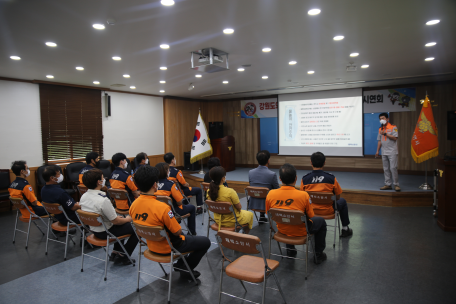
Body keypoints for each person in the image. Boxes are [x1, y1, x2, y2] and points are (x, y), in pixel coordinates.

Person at [130, 165, 211, 279]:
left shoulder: (133, 205)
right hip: (169, 248)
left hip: (150, 245)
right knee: (205, 242)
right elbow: (177, 232)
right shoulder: (162, 208)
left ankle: (181, 264)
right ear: (155, 184)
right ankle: (185, 267)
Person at [266, 163, 327, 263]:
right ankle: (318, 254)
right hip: (301, 232)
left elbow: (269, 214)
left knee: (287, 217)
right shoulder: (304, 195)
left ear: (280, 179)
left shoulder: (270, 194)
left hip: (282, 230)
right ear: (296, 178)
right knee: (321, 221)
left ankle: (290, 250)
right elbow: (311, 216)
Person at [80, 169, 138, 265]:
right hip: (106, 232)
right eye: (103, 178)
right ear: (99, 182)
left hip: (94, 230)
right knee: (135, 228)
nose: (104, 180)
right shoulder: (103, 200)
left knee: (123, 224)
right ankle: (124, 256)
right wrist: (127, 219)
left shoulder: (83, 197)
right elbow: (115, 221)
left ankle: (116, 252)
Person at [300, 152, 353, 237]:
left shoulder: (305, 179)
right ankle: (345, 229)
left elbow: (303, 197)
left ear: (311, 162)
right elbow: (338, 197)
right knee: (343, 201)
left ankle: (311, 227)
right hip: (329, 210)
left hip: (311, 211)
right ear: (324, 163)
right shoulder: (331, 178)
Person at [206, 166, 253, 234]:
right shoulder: (230, 191)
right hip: (232, 221)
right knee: (250, 214)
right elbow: (239, 207)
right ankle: (242, 236)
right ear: (222, 178)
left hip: (218, 220)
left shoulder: (209, 191)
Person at [155, 162, 197, 235]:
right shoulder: (170, 184)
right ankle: (192, 232)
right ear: (166, 172)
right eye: (168, 170)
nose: (169, 171)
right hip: (171, 212)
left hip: (157, 211)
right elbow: (180, 201)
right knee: (192, 207)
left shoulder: (153, 184)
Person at [248, 150, 280, 223]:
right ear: (268, 161)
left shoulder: (250, 172)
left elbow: (253, 186)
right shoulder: (272, 174)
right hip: (267, 204)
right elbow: (277, 190)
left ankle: (262, 216)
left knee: (259, 190)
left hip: (253, 203)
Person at [375, 112, 400, 191]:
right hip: (384, 152)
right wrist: (377, 151)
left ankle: (396, 184)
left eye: (383, 118)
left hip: (392, 151)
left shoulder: (393, 127)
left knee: (393, 168)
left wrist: (385, 134)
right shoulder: (380, 129)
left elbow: (395, 138)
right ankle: (388, 184)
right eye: (380, 119)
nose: (381, 120)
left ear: (387, 119)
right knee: (386, 168)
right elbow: (379, 141)